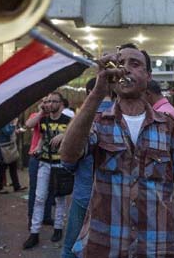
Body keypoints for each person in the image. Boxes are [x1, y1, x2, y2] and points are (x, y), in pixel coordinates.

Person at [60, 44, 174, 258]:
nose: (125, 69)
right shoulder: (98, 123)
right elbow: (68, 156)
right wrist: (98, 91)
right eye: (120, 63)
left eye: (135, 64)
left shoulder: (167, 126)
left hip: (155, 248)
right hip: (104, 247)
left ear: (148, 76)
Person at [61, 77, 113, 258]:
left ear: (88, 94)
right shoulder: (125, 118)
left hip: (84, 194)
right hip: (114, 199)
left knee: (71, 248)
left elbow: (68, 162)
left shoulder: (82, 120)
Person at [23, 92, 72, 249]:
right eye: (48, 101)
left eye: (53, 101)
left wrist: (65, 134)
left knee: (60, 198)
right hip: (44, 162)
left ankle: (58, 228)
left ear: (60, 104)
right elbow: (30, 126)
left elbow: (80, 134)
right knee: (39, 197)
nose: (50, 103)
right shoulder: (43, 119)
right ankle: (34, 232)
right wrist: (38, 147)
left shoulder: (68, 120)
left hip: (61, 164)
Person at [144, 80, 174, 239]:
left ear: (148, 94)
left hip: (166, 172)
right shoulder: (170, 110)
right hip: (168, 170)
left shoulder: (163, 114)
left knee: (168, 212)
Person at [25, 97, 54, 229]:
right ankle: (32, 218)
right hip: (36, 156)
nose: (46, 104)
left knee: (51, 189)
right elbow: (29, 124)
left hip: (53, 157)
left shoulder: (57, 116)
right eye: (44, 102)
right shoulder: (36, 115)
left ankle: (46, 216)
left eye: (49, 101)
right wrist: (41, 113)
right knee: (34, 189)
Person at [0, 120, 26, 194]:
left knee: (12, 166)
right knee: (3, 167)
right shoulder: (3, 121)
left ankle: (16, 186)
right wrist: (14, 124)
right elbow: (7, 132)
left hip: (8, 146)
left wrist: (16, 130)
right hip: (4, 148)